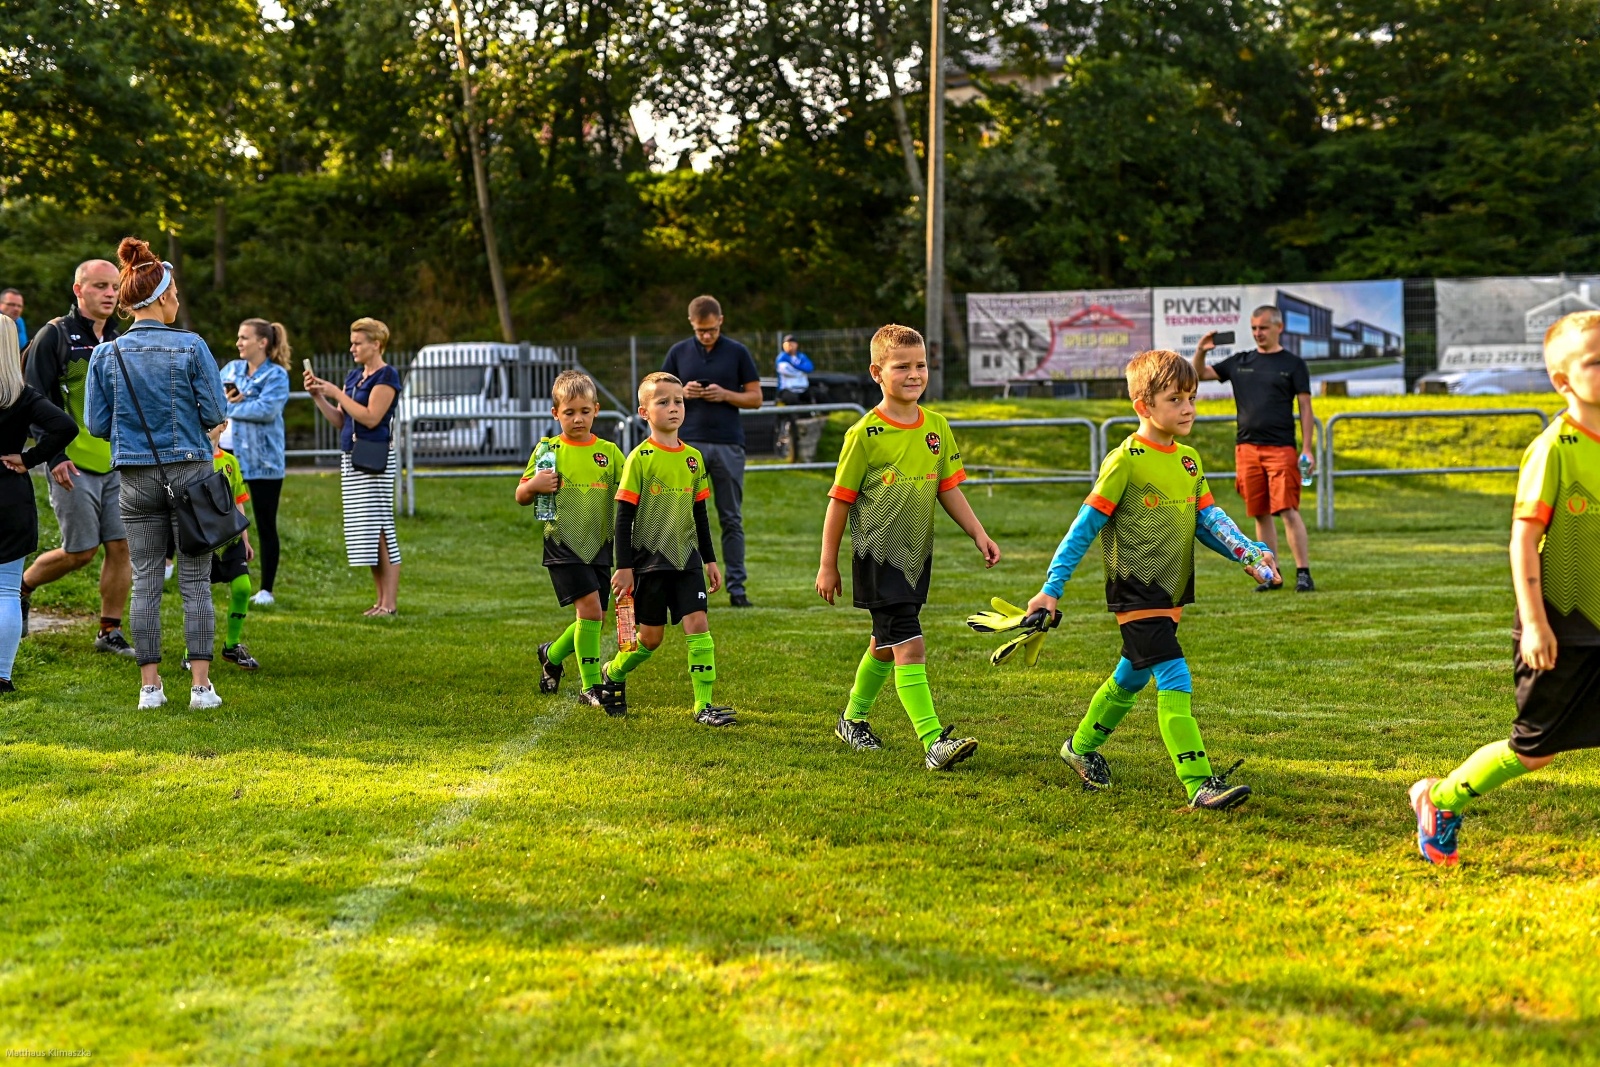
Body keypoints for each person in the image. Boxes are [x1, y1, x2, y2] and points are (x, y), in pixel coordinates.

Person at [1026, 348, 1274, 810]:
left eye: (1192, 398)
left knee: (1131, 675)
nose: (1188, 408)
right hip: (1134, 588)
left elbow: (1207, 522)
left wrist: (1246, 553)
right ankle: (1199, 783)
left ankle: (1079, 749)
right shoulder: (1126, 461)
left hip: (1172, 591)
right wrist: (1051, 587)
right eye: (1176, 399)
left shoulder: (1188, 461)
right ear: (1144, 406)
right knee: (1174, 675)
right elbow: (1083, 529)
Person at [1410, 311, 1600, 866]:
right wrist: (1537, 623)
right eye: (1595, 361)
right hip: (1563, 625)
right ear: (1563, 382)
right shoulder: (1554, 448)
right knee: (1534, 750)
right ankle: (1440, 799)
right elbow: (1522, 543)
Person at [816, 324, 1000, 771]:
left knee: (886, 642)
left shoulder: (936, 427)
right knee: (910, 644)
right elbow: (840, 502)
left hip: (917, 558)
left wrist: (978, 532)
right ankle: (933, 741)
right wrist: (828, 565)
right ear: (877, 373)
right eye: (902, 367)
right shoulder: (865, 434)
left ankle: (852, 720)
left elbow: (947, 488)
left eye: (921, 365)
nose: (914, 374)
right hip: (877, 558)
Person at [84, 237, 228, 711]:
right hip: (190, 472)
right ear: (163, 297)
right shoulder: (192, 346)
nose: (179, 300)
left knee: (145, 578)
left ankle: (150, 688)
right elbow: (213, 411)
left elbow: (98, 424)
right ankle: (201, 689)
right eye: (177, 294)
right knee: (194, 580)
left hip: (134, 479)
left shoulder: (106, 354)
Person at [600, 372, 733, 726]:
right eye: (663, 402)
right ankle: (613, 671)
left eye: (679, 401)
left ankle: (703, 706)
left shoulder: (693, 458)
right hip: (648, 564)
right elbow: (623, 518)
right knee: (650, 639)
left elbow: (700, 514)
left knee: (698, 625)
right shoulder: (639, 459)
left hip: (686, 560)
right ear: (644, 411)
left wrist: (710, 559)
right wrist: (624, 566)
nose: (673, 408)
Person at [19, 259, 134, 654]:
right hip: (71, 463)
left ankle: (109, 631)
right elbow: (31, 399)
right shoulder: (55, 335)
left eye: (114, 287)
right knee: (80, 552)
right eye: (100, 286)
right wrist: (53, 457)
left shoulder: (122, 338)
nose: (109, 294)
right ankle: (22, 586)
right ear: (78, 289)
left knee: (122, 547)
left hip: (119, 463)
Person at [1192, 307, 1317, 592]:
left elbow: (1306, 407)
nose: (1258, 333)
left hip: (1281, 448)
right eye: (1254, 328)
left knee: (1287, 509)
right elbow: (1200, 373)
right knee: (1259, 512)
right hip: (1246, 448)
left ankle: (1303, 573)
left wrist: (1307, 449)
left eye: (1263, 328)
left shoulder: (1293, 364)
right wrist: (1201, 349)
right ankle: (1271, 572)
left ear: (1279, 327)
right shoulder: (1241, 361)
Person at [520, 370, 625, 708]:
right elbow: (521, 494)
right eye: (569, 412)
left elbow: (627, 494)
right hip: (562, 543)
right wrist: (535, 486)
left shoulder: (609, 452)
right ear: (556, 414)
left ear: (596, 409)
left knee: (594, 617)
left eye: (584, 411)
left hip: (600, 545)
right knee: (591, 612)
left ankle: (551, 654)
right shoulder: (547, 451)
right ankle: (591, 687)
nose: (577, 418)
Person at [661, 295, 761, 607]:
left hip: (728, 444)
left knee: (731, 517)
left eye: (711, 331)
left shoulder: (737, 352)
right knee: (680, 517)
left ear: (721, 321)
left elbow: (756, 398)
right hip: (686, 445)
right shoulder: (678, 352)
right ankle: (678, 585)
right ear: (692, 324)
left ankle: (737, 588)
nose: (706, 336)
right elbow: (658, 395)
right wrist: (682, 393)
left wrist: (726, 395)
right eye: (701, 331)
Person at [304, 318, 402, 616]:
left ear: (376, 344)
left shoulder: (387, 376)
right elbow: (341, 420)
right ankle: (379, 601)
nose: (352, 348)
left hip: (376, 459)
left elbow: (372, 417)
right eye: (352, 342)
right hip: (352, 457)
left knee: (382, 528)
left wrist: (336, 392)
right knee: (367, 532)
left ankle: (390, 604)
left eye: (358, 342)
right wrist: (318, 396)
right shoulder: (353, 377)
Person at [0, 315, 76, 693]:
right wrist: (29, 459)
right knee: (6, 590)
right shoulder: (23, 395)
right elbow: (66, 425)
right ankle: (2, 675)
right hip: (9, 495)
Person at [223, 319, 291, 606]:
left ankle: (266, 590)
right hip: (226, 458)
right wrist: (239, 403)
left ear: (262, 342)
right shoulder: (230, 370)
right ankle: (230, 577)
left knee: (265, 524)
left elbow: (266, 410)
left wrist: (235, 404)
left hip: (263, 461)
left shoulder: (276, 376)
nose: (238, 342)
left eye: (244, 338)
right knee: (223, 519)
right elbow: (213, 400)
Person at [187, 420, 259, 672]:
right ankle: (192, 650)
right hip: (203, 540)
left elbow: (239, 502)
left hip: (230, 537)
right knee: (198, 593)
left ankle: (232, 645)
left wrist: (245, 539)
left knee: (243, 587)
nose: (206, 428)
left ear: (224, 426)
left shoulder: (230, 462)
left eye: (212, 423)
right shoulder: (189, 461)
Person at [775, 334, 814, 405]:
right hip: (787, 389)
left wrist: (795, 365)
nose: (790, 345)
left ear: (796, 344)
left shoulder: (801, 356)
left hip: (803, 389)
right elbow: (788, 371)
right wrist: (801, 370)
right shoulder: (781, 358)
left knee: (818, 395)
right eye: (787, 344)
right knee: (792, 399)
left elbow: (809, 368)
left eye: (792, 343)